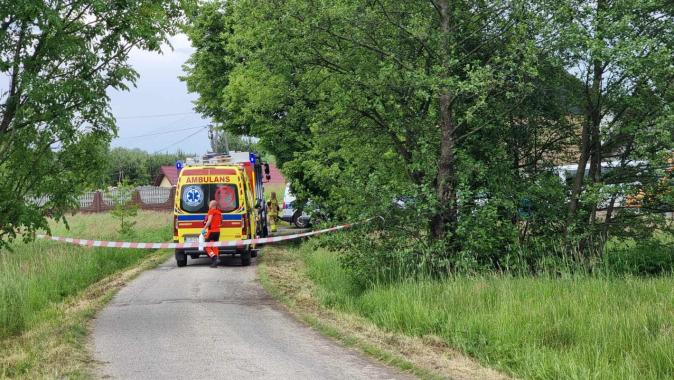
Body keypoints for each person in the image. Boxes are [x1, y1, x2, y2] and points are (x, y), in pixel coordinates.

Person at [202, 200, 222, 268]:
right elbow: (221, 222)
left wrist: (204, 228)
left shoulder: (211, 211)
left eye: (210, 204)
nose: (209, 205)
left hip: (212, 231)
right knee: (214, 245)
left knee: (206, 246)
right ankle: (215, 262)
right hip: (218, 231)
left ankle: (214, 257)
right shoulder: (219, 212)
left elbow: (209, 221)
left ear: (213, 205)